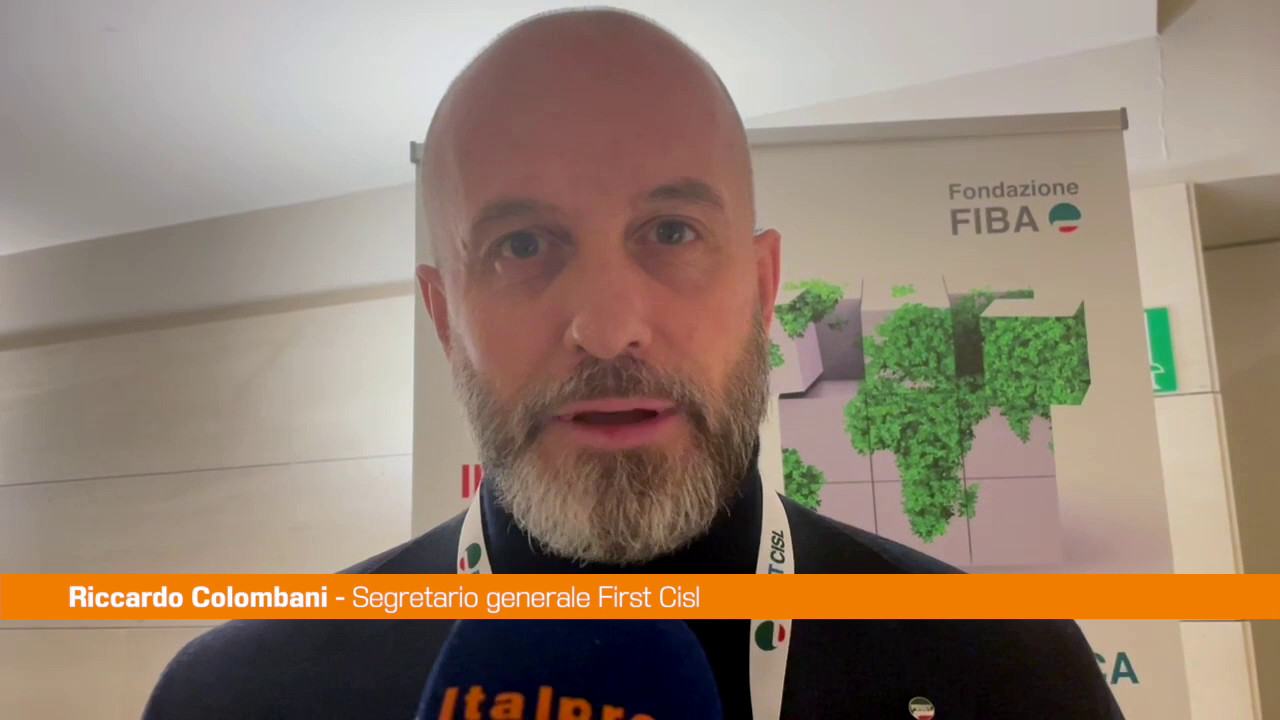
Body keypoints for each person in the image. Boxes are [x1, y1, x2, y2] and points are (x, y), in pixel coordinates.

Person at [143, 8, 1123, 719]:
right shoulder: (239, 698)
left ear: (761, 285)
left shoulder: (1011, 674)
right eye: (522, 245)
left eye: (671, 230)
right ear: (444, 317)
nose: (609, 329)